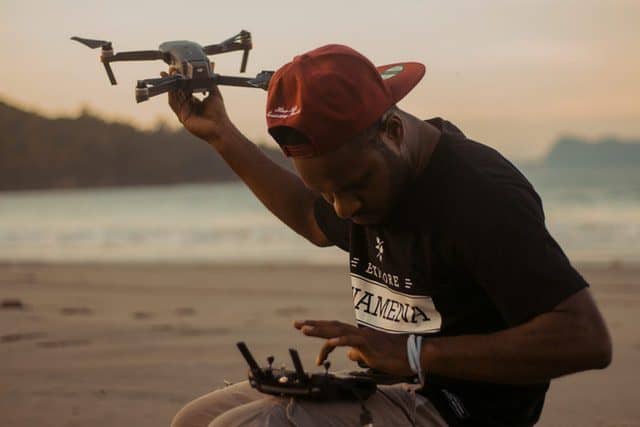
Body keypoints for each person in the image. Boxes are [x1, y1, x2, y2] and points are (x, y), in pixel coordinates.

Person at [166, 44, 612, 426]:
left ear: (394, 131)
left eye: (354, 186)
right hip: (391, 386)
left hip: (462, 411)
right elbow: (309, 215)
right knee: (196, 421)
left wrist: (416, 355)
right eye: (327, 191)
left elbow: (585, 338)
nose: (344, 208)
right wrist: (221, 134)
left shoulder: (481, 197)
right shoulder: (365, 176)